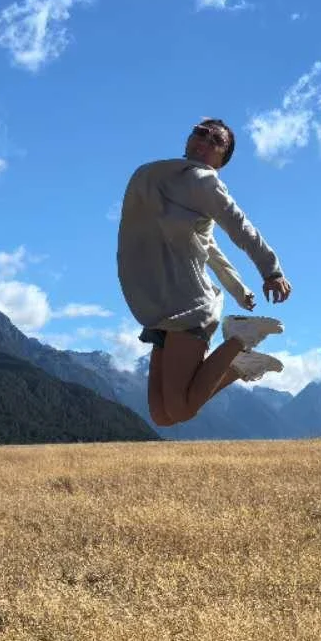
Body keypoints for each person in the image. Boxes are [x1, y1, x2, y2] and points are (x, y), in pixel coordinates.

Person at [116, 117, 293, 427]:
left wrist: (271, 269)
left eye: (216, 141)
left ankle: (239, 340)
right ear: (188, 138)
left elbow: (241, 227)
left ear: (221, 161)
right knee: (162, 416)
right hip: (158, 307)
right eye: (200, 133)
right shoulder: (154, 177)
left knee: (181, 409)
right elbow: (208, 248)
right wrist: (240, 290)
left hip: (188, 304)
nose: (205, 141)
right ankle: (238, 364)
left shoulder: (204, 183)